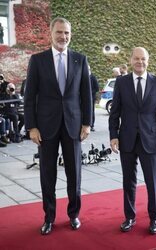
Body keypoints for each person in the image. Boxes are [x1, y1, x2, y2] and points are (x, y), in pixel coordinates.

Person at [24, 17, 92, 235]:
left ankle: (74, 215)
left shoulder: (80, 60)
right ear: (51, 33)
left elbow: (86, 95)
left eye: (67, 33)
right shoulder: (38, 60)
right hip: (46, 127)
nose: (64, 37)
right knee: (47, 174)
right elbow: (29, 96)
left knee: (75, 174)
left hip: (73, 126)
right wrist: (31, 127)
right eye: (60, 32)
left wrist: (87, 123)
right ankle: (49, 217)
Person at [109, 47, 156, 235]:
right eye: (136, 58)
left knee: (152, 182)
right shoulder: (121, 83)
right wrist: (113, 135)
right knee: (128, 182)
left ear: (148, 60)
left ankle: (155, 218)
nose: (140, 62)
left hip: (150, 138)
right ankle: (129, 217)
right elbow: (115, 112)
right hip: (126, 138)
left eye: (143, 59)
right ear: (130, 60)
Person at [88, 66, 99, 132]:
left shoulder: (93, 77)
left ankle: (91, 125)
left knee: (91, 111)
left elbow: (97, 88)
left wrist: (90, 93)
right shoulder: (83, 76)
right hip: (83, 98)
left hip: (91, 97)